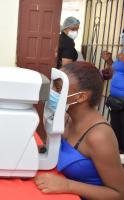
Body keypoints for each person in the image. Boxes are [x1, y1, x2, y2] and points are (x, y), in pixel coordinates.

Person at [35, 62, 124, 200]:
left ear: (81, 96)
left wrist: (67, 185)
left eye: (58, 88)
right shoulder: (66, 116)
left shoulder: (99, 135)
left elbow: (119, 193)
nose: (51, 91)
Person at [101, 49, 124, 154]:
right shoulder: (122, 51)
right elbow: (116, 70)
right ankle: (119, 156)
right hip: (115, 98)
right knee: (116, 128)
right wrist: (109, 60)